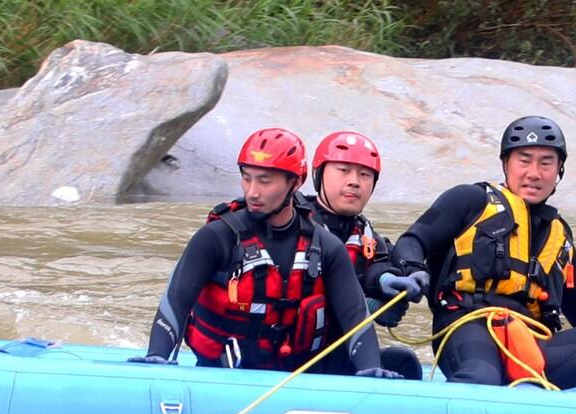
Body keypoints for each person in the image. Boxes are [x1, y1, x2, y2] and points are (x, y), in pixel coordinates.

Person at [389, 116, 576, 389]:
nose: (534, 173)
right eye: (524, 160)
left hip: (534, 344)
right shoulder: (469, 200)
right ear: (506, 164)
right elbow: (412, 241)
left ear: (558, 171)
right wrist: (413, 269)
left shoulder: (559, 235)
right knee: (483, 376)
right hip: (466, 327)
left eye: (546, 163)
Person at [130, 127, 402, 379]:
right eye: (247, 179)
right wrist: (157, 356)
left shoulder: (327, 247)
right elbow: (176, 300)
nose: (253, 192)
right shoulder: (216, 238)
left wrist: (371, 370)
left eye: (265, 181)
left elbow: (355, 317)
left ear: (295, 183)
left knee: (403, 363)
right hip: (220, 378)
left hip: (298, 380)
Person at [299, 130, 424, 380]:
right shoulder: (291, 222)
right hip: (291, 354)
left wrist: (390, 287)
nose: (355, 181)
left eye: (365, 175)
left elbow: (377, 267)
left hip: (337, 355)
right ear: (318, 175)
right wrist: (366, 304)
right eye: (343, 171)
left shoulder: (366, 234)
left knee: (405, 362)